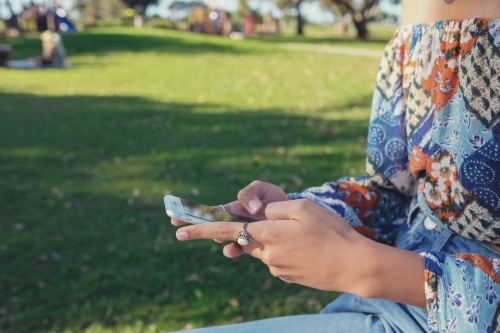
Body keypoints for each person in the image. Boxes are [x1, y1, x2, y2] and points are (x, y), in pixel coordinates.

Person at [171, 1, 500, 332]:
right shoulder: (417, 10)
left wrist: (365, 268)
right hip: (374, 299)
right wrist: (299, 211)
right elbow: (394, 190)